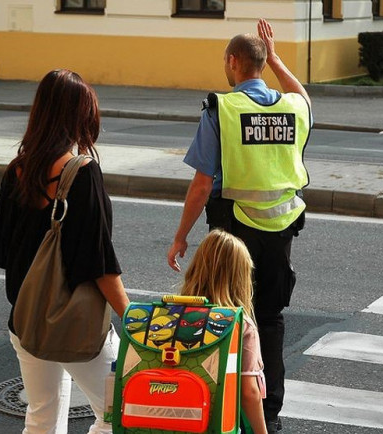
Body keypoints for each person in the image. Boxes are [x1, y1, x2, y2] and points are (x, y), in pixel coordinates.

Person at [166, 18, 312, 433]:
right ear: (262, 64)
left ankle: (221, 407)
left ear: (233, 62)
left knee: (224, 318)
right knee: (269, 320)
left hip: (233, 236)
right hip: (280, 233)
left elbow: (202, 183)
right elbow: (303, 96)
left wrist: (181, 236)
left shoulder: (223, 108)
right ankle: (268, 415)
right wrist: (277, 59)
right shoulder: (292, 107)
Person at [0, 69, 130, 434]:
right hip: (77, 326)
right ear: (81, 116)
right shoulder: (82, 173)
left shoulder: (16, 171)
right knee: (119, 413)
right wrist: (131, 318)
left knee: (42, 418)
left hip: (27, 318)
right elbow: (98, 263)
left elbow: (1, 251)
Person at [179, 229, 268, 434]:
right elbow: (249, 393)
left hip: (171, 419)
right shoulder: (240, 326)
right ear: (241, 278)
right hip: (213, 424)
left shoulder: (172, 315)